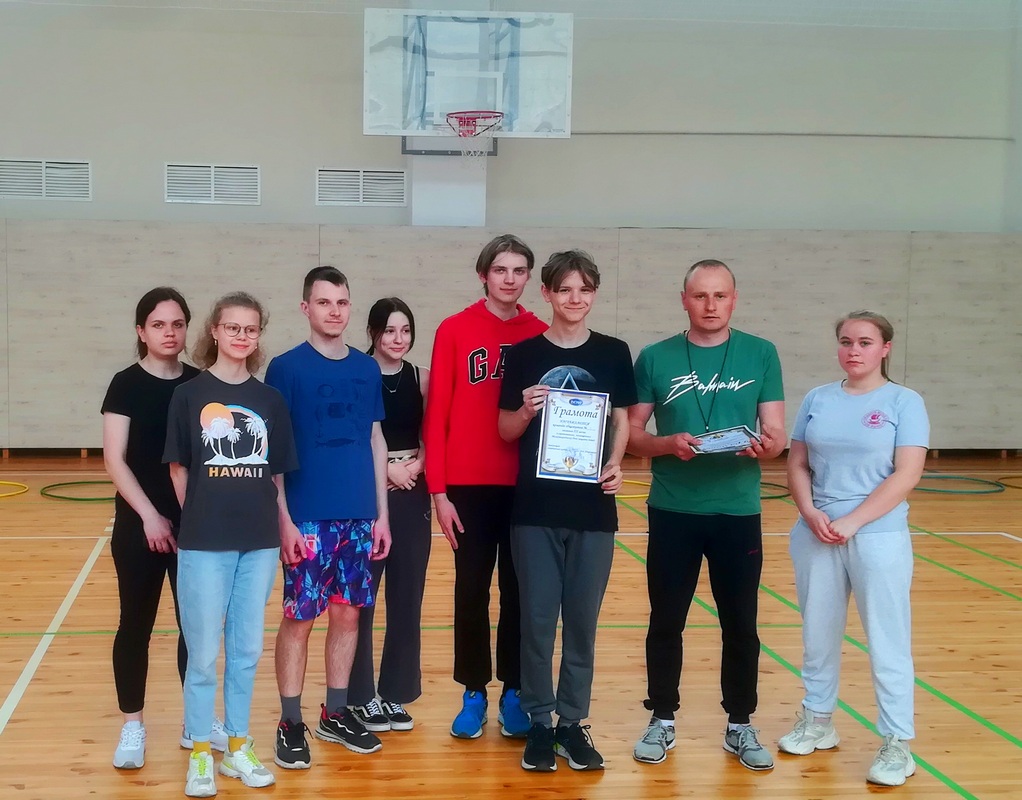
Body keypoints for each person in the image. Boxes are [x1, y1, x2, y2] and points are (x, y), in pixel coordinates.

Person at [626, 259, 786, 771]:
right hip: (673, 509)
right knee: (665, 620)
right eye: (700, 296)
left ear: (734, 299)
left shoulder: (762, 353)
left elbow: (776, 436)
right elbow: (632, 436)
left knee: (741, 623)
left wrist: (765, 446)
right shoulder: (655, 357)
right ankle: (661, 718)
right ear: (684, 300)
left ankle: (740, 723)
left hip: (737, 512)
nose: (710, 305)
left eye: (720, 295)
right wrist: (667, 444)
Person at [498, 250, 636, 772]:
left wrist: (616, 462)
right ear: (547, 294)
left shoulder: (614, 352)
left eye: (584, 290)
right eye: (564, 289)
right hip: (535, 509)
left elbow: (621, 419)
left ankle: (572, 723)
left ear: (594, 294)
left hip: (593, 510)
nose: (575, 299)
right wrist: (525, 409)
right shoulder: (525, 353)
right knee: (536, 621)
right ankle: (539, 722)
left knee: (581, 623)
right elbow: (504, 430)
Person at [778, 311, 928, 787]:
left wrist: (854, 521)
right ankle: (818, 719)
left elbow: (907, 473)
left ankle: (897, 742)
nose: (854, 350)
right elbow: (797, 464)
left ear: (885, 348)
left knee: (887, 639)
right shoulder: (818, 398)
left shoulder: (905, 402)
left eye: (865, 342)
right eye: (846, 341)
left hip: (878, 537)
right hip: (817, 533)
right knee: (817, 633)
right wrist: (809, 512)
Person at [165, 291, 298, 797]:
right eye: (233, 327)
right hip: (204, 544)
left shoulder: (270, 401)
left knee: (245, 651)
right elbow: (180, 470)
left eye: (251, 328)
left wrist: (283, 526)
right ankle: (202, 751)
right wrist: (202, 517)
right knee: (202, 654)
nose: (242, 336)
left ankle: (238, 746)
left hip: (259, 543)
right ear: (215, 332)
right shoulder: (189, 396)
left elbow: (277, 476)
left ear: (258, 336)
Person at [423, 234, 548, 739]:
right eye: (500, 270)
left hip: (525, 485)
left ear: (529, 278)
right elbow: (437, 413)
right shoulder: (454, 329)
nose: (510, 279)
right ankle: (473, 691)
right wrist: (438, 491)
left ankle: (514, 691)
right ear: (484, 275)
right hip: (468, 484)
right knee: (471, 590)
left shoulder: (541, 333)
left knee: (520, 592)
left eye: (519, 270)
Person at [267, 267, 391, 770]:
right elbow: (274, 452)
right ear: (306, 308)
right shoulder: (285, 368)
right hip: (307, 519)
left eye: (341, 302)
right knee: (300, 618)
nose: (334, 311)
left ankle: (335, 713)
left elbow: (376, 440)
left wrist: (382, 515)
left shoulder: (366, 368)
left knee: (347, 615)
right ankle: (289, 721)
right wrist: (284, 520)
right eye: (324, 302)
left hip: (359, 517)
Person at [103, 287, 203, 769]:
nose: (169, 333)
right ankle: (133, 725)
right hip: (138, 525)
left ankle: (195, 722)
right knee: (135, 625)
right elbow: (114, 460)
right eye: (159, 325)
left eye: (177, 324)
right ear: (141, 331)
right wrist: (149, 515)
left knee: (195, 628)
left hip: (193, 527)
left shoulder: (199, 383)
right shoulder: (125, 384)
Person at [346, 298, 431, 733]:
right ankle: (359, 695)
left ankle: (395, 691)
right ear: (373, 332)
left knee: (407, 596)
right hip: (367, 490)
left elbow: (434, 431)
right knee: (361, 599)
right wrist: (387, 471)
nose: (398, 339)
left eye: (405, 330)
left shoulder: (421, 377)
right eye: (390, 330)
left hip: (413, 491)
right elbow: (350, 437)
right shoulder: (356, 373)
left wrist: (417, 466)